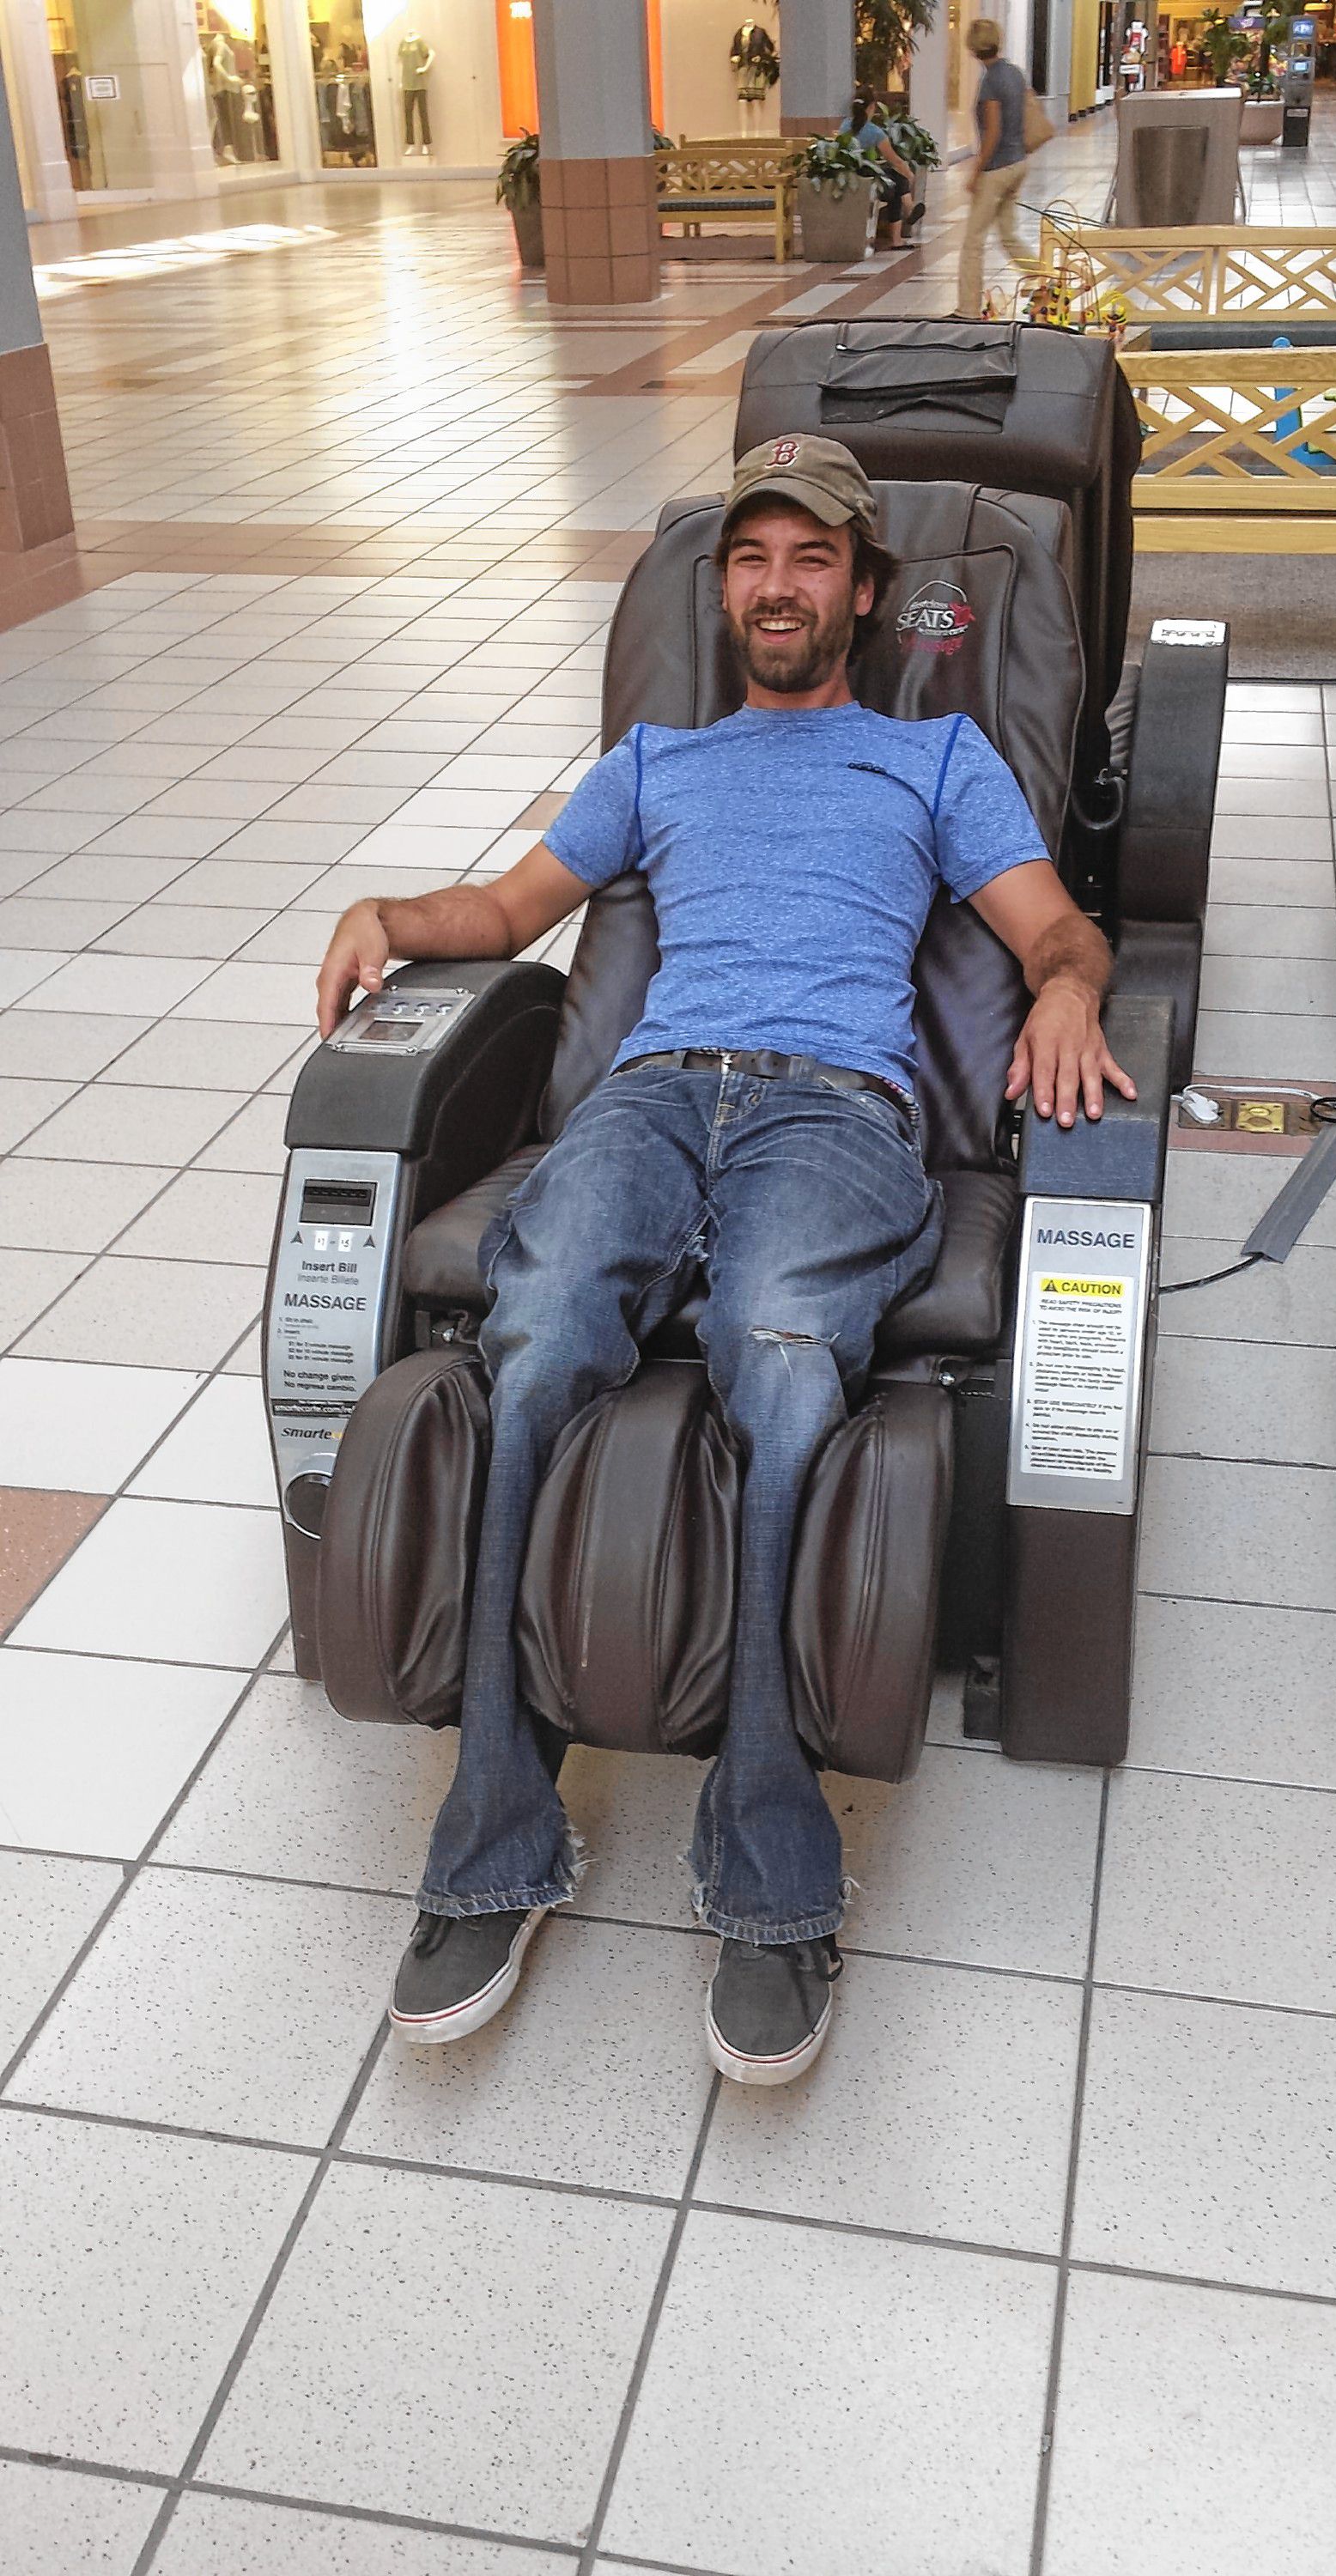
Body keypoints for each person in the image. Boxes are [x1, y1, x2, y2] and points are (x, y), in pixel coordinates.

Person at [315, 433, 1134, 2089]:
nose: (777, 585)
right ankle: (490, 1838)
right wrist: (393, 911)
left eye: (810, 559)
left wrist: (1064, 988)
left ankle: (770, 1870)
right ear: (725, 590)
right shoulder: (652, 761)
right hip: (647, 1099)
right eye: (751, 558)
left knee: (777, 1355)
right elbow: (506, 907)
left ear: (865, 591)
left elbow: (1056, 927)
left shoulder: (936, 759)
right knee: (532, 1341)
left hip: (832, 1111)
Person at [954, 18, 1031, 319]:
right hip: (1018, 162)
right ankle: (1048, 281)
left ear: (973, 48)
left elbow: (993, 133)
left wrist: (975, 173)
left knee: (973, 242)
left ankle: (968, 309)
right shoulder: (1014, 73)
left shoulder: (990, 82)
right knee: (1009, 234)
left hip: (997, 170)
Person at [838, 95, 920, 246]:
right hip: (869, 180)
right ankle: (907, 214)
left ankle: (909, 209)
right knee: (897, 180)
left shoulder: (844, 125)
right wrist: (909, 174)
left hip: (848, 175)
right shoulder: (874, 132)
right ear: (871, 108)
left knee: (894, 180)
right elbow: (894, 159)